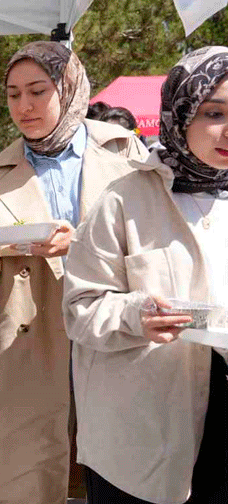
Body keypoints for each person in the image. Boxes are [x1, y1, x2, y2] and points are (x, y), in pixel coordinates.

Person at [0, 41, 147, 504]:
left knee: (120, 472)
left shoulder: (124, 150)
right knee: (16, 478)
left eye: (37, 90)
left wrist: (77, 241)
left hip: (116, 334)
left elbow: (149, 236)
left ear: (69, 88)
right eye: (13, 94)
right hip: (30, 340)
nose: (24, 106)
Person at [63, 46, 228, 504]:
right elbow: (80, 310)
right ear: (181, 111)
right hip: (141, 433)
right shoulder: (123, 200)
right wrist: (137, 315)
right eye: (214, 112)